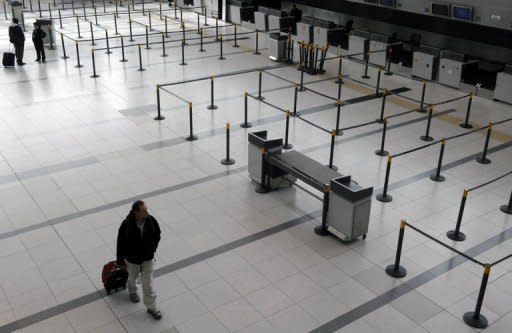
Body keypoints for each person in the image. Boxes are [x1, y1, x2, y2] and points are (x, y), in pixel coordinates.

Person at [117, 200, 162, 320]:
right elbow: (120, 242)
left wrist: (153, 248)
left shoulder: (151, 220)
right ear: (136, 212)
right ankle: (132, 290)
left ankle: (152, 307)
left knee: (148, 284)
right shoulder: (126, 224)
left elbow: (157, 234)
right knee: (132, 277)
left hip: (147, 258)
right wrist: (120, 259)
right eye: (144, 210)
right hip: (133, 260)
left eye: (147, 209)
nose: (147, 212)